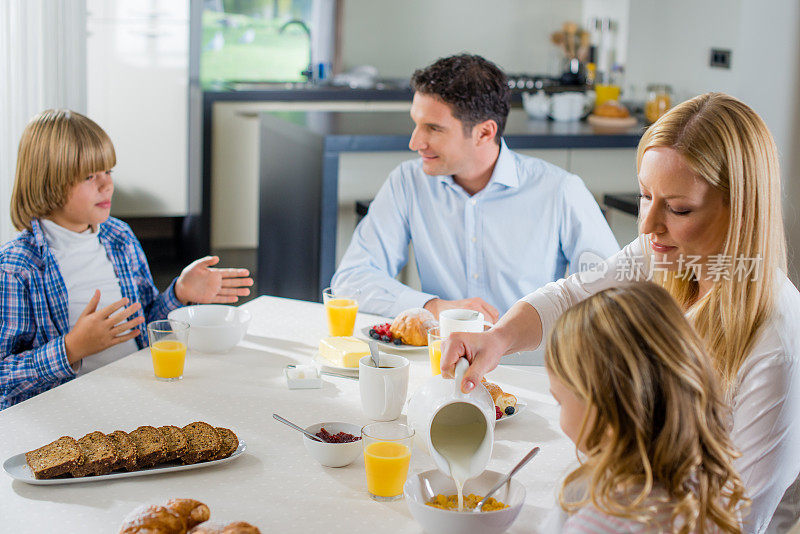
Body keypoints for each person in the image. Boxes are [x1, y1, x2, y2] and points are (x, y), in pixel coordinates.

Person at [441, 93, 800, 533]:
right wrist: (497, 338)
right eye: (646, 196)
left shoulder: (777, 343)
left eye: (679, 208)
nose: (648, 226)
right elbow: (572, 296)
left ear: (740, 209)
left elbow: (737, 516)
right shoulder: (669, 254)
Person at [331, 54, 619, 321]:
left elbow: (613, 294)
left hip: (527, 367)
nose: (415, 142)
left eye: (433, 128)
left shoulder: (560, 190)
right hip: (442, 361)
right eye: (416, 124)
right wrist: (433, 307)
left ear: (484, 132)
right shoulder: (408, 182)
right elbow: (351, 279)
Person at [0, 109, 253, 410]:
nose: (106, 185)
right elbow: (4, 376)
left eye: (108, 171)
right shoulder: (17, 267)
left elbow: (147, 326)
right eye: (89, 176)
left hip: (140, 391)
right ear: (48, 182)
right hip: (73, 411)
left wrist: (180, 293)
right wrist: (71, 349)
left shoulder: (119, 237)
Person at [544, 283, 747, 533]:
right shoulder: (713, 487)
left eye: (560, 402)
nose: (560, 415)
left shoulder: (595, 526)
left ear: (609, 414)